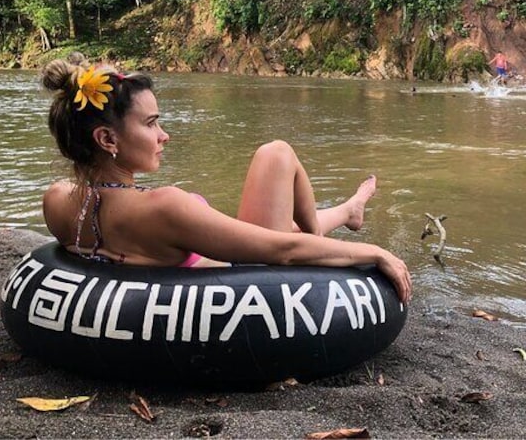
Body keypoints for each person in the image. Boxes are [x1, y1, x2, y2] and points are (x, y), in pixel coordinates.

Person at [40, 60, 411, 303]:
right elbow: (285, 252)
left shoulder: (57, 200)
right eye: (152, 124)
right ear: (107, 139)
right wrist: (376, 253)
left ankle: (348, 210)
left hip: (198, 255)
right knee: (277, 153)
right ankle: (336, 217)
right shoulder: (164, 207)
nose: (164, 135)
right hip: (244, 279)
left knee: (284, 213)